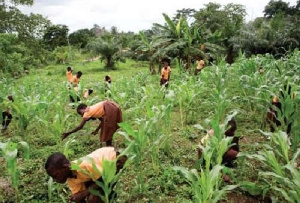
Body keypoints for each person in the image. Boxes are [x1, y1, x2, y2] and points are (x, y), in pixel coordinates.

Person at [45, 147, 127, 203]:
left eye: (55, 176)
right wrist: (78, 198)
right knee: (86, 194)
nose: (55, 180)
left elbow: (104, 178)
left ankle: (109, 195)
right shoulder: (70, 180)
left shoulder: (85, 165)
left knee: (93, 199)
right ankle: (108, 195)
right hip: (98, 172)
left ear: (65, 168)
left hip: (113, 160)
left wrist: (83, 194)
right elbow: (79, 198)